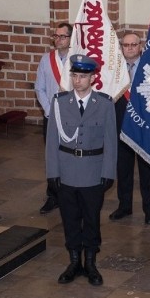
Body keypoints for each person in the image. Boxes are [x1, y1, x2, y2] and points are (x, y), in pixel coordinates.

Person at [46, 55, 117, 286]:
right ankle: (74, 261)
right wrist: (52, 173)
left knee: (91, 219)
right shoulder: (59, 103)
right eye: (75, 76)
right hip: (66, 171)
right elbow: (52, 141)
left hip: (92, 172)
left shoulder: (104, 104)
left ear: (93, 78)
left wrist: (108, 172)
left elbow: (110, 142)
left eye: (83, 76)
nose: (78, 81)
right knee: (70, 219)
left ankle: (91, 263)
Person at [110, 31, 150, 224]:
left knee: (147, 170)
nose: (129, 48)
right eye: (126, 45)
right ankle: (124, 206)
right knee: (123, 168)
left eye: (133, 45)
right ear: (121, 47)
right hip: (121, 123)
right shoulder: (115, 70)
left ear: (141, 47)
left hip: (144, 126)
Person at [34, 23, 73, 214]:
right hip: (51, 116)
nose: (58, 40)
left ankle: (69, 194)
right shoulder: (46, 60)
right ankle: (53, 195)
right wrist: (48, 110)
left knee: (70, 156)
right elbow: (39, 88)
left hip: (73, 118)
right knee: (52, 157)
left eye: (62, 36)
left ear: (71, 38)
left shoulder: (77, 60)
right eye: (55, 36)